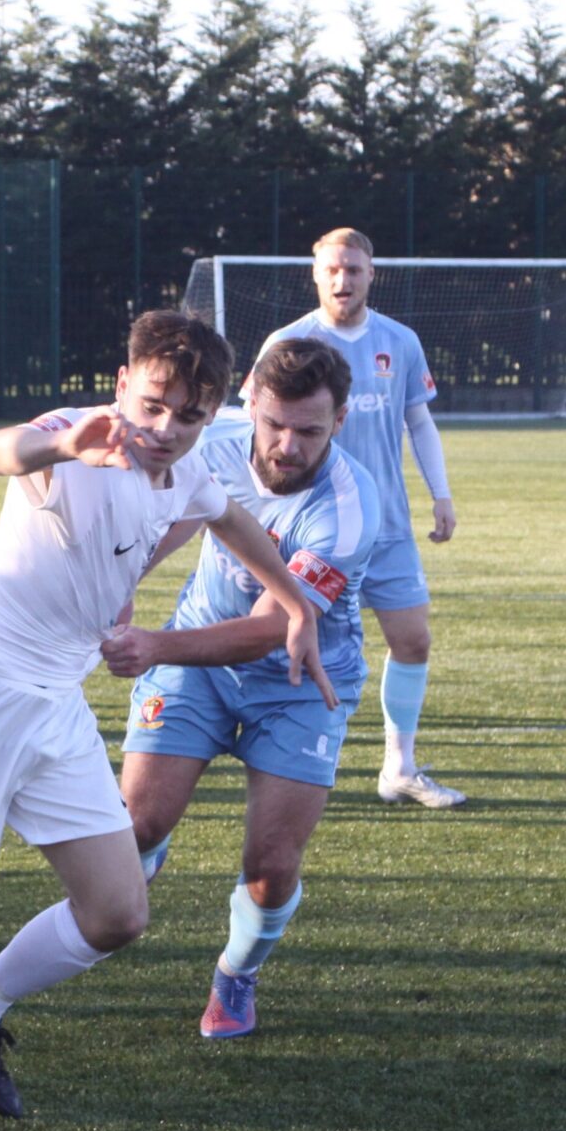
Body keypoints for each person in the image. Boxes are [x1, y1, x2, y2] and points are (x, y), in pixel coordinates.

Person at [0, 312, 333, 1117]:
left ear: (211, 414)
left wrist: (294, 603)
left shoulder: (188, 468)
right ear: (125, 383)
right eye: (154, 405)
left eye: (190, 416)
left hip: (55, 711)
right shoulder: (76, 435)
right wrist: (61, 446)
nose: (166, 429)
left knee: (118, 912)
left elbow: (230, 517)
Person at [107, 338, 381, 1039]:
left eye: (310, 430)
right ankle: (147, 847)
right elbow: (157, 523)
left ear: (340, 421)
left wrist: (150, 647)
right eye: (276, 424)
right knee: (135, 825)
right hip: (196, 660)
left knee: (272, 865)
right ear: (251, 404)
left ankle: (237, 972)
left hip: (295, 683)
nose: (288, 446)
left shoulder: (348, 509)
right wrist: (118, 590)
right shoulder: (211, 442)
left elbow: (269, 631)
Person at [249, 227, 464, 807]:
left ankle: (400, 766)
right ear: (315, 275)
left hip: (386, 526)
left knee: (413, 640)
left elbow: (419, 421)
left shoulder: (401, 340)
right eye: (333, 270)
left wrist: (440, 494)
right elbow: (252, 427)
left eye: (354, 269)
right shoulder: (287, 341)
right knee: (281, 638)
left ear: (373, 274)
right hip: (309, 526)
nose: (343, 280)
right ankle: (274, 759)